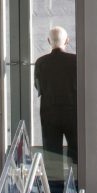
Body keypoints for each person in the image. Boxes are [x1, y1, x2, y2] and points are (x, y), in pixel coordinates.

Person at [33, 25, 79, 182]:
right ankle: (77, 183)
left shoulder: (41, 62)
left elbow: (38, 87)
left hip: (49, 112)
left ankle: (54, 187)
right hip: (73, 112)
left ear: (48, 41)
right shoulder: (76, 61)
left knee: (52, 152)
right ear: (67, 40)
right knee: (76, 150)